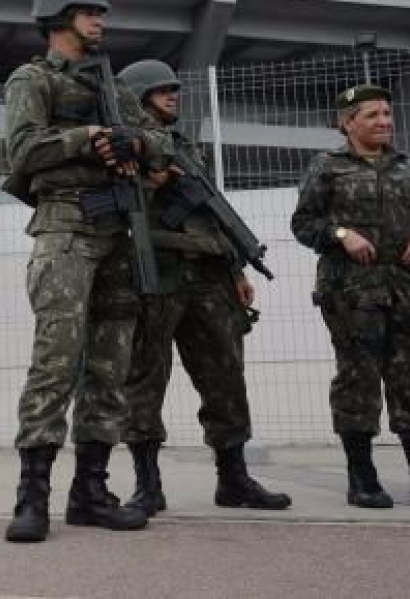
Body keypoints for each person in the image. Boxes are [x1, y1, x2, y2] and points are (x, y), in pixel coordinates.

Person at [1, 0, 156, 543]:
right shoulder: (32, 78)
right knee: (56, 362)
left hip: (122, 231)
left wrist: (134, 142)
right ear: (61, 15)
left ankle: (91, 491)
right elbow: (22, 150)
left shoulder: (116, 89)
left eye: (102, 12)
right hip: (65, 229)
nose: (101, 20)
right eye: (91, 11)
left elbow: (156, 140)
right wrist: (88, 136)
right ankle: (31, 496)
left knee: (110, 368)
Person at [116, 59, 292, 515]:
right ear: (137, 99)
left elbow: (212, 215)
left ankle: (233, 479)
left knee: (225, 377)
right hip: (156, 271)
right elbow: (114, 206)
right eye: (161, 91)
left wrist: (236, 269)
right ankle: (147, 485)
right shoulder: (123, 145)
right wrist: (150, 182)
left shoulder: (187, 147)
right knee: (145, 379)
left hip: (210, 275)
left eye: (174, 89)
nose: (173, 96)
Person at [291, 84, 410, 508]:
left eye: (387, 114)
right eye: (372, 115)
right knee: (358, 383)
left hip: (409, 294)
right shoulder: (327, 167)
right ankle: (363, 478)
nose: (384, 122)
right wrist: (341, 235)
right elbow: (303, 224)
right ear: (348, 122)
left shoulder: (409, 167)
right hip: (353, 296)